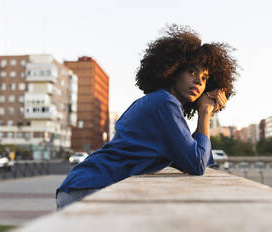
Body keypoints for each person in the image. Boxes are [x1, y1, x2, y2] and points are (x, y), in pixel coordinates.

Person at [56, 25, 237, 209]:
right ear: (173, 72)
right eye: (191, 72)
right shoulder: (165, 104)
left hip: (82, 185)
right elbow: (197, 164)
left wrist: (202, 116)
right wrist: (205, 113)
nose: (199, 80)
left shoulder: (156, 103)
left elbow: (194, 160)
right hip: (89, 188)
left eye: (205, 78)